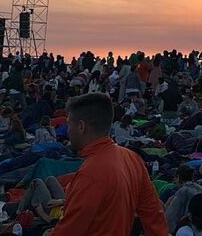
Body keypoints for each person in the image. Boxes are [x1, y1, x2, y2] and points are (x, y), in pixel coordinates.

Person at [48, 92, 168, 236]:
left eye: (69, 125)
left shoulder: (90, 174)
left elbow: (69, 231)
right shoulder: (132, 158)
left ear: (81, 126)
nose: (68, 131)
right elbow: (154, 215)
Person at [165, 165, 202, 233]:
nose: (175, 182)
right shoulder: (200, 189)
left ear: (178, 177)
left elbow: (170, 217)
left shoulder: (183, 192)